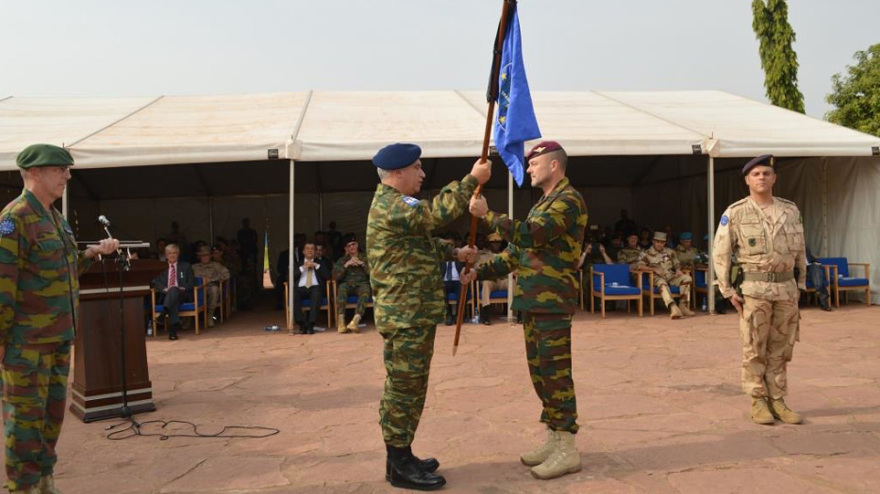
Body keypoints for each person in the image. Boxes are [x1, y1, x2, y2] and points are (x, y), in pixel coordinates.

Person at [367, 143, 488, 490]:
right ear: (398, 173)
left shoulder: (395, 207)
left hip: (412, 313)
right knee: (405, 389)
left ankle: (401, 457)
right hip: (405, 315)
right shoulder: (393, 205)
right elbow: (432, 217)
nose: (422, 174)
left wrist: (454, 251)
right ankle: (399, 462)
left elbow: (418, 242)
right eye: (417, 168)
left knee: (411, 387)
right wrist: (470, 180)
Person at [0, 144, 119, 493]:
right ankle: (23, 487)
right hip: (25, 345)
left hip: (57, 340)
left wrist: (93, 253)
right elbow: (3, 287)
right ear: (34, 173)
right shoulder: (14, 219)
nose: (68, 175)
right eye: (60, 169)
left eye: (68, 169)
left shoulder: (54, 217)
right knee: (24, 422)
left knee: (51, 418)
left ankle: (44, 480)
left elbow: (65, 269)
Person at [465, 140, 587, 480]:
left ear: (553, 166)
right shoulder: (543, 203)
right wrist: (479, 272)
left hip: (552, 302)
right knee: (541, 374)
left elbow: (532, 235)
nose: (529, 169)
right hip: (533, 302)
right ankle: (554, 437)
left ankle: (567, 447)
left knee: (556, 375)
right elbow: (516, 254)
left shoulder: (568, 201)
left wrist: (487, 216)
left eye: (534, 164)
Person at [713, 154, 807, 426]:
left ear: (774, 178)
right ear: (747, 180)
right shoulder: (736, 212)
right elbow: (721, 252)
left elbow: (800, 248)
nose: (762, 178)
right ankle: (757, 400)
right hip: (754, 289)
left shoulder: (790, 210)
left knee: (781, 348)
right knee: (755, 347)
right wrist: (727, 290)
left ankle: (777, 399)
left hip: (786, 288)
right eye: (756, 174)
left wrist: (800, 284)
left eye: (766, 173)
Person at [638, 231, 695, 319]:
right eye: (657, 242)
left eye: (662, 242)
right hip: (657, 277)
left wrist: (678, 269)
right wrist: (654, 269)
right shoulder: (646, 253)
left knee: (687, 278)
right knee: (662, 285)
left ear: (665, 243)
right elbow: (639, 265)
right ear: (653, 241)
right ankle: (673, 307)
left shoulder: (670, 252)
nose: (659, 244)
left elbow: (676, 262)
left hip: (670, 275)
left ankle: (683, 306)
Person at [151, 243, 196, 340]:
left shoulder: (186, 266)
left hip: (182, 295)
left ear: (178, 254)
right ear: (166, 255)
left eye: (174, 253)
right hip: (166, 295)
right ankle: (172, 331)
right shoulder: (161, 267)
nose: (172, 255)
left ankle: (163, 313)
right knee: (173, 297)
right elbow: (156, 282)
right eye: (169, 253)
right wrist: (164, 289)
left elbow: (191, 282)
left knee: (174, 290)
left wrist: (182, 288)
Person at [332, 234, 371, 333]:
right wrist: (346, 265)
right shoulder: (342, 260)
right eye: (349, 246)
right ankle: (341, 322)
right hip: (347, 284)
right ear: (346, 248)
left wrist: (362, 264)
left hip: (362, 284)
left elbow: (372, 273)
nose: (352, 247)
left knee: (365, 291)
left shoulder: (365, 257)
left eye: (353, 244)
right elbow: (335, 277)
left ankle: (355, 321)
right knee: (341, 288)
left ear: (357, 245)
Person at [293, 242, 330, 335]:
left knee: (317, 293)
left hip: (315, 287)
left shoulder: (321, 263)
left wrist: (316, 266)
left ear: (315, 252)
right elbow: (289, 277)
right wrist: (303, 268)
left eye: (312, 249)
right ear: (303, 251)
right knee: (293, 293)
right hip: (300, 288)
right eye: (307, 248)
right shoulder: (298, 264)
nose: (310, 250)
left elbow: (327, 276)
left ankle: (310, 324)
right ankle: (301, 323)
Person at [191, 245, 231, 327]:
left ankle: (210, 315)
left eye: (206, 255)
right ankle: (187, 319)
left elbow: (227, 275)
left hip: (210, 286)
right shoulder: (193, 267)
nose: (204, 257)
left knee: (214, 290)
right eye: (202, 256)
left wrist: (212, 279)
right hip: (197, 288)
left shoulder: (216, 265)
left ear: (210, 256)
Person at [477, 233, 509, 325]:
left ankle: (519, 313)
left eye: (498, 242)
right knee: (486, 283)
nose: (496, 244)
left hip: (502, 280)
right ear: (489, 244)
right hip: (491, 280)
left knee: (512, 282)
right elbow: (478, 267)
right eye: (493, 242)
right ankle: (485, 313)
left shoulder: (505, 255)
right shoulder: (483, 255)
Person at [805, 246, 832, 311]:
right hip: (797, 270)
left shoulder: (805, 248)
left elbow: (813, 259)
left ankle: (824, 303)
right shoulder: (790, 250)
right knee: (816, 273)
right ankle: (823, 299)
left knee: (815, 267)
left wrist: (816, 263)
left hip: (809, 270)